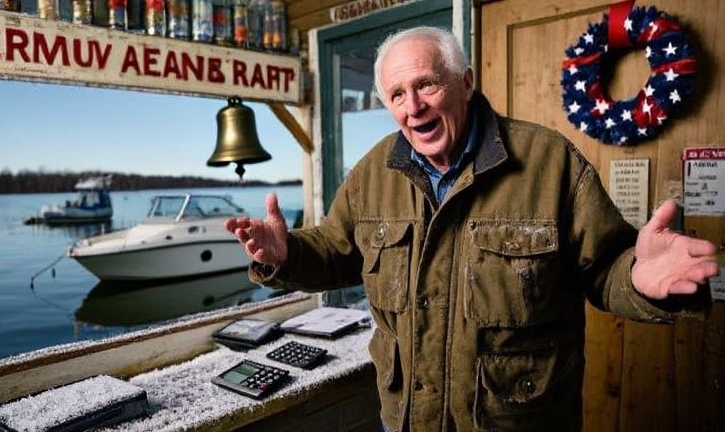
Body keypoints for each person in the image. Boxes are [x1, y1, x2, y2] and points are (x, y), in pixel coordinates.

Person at [225, 26, 718, 432]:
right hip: (407, 421)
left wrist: (636, 277)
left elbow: (606, 267)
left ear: (465, 82)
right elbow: (334, 252)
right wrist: (285, 255)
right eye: (397, 94)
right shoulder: (373, 173)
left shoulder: (550, 162)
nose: (412, 106)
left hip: (518, 422)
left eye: (426, 85)